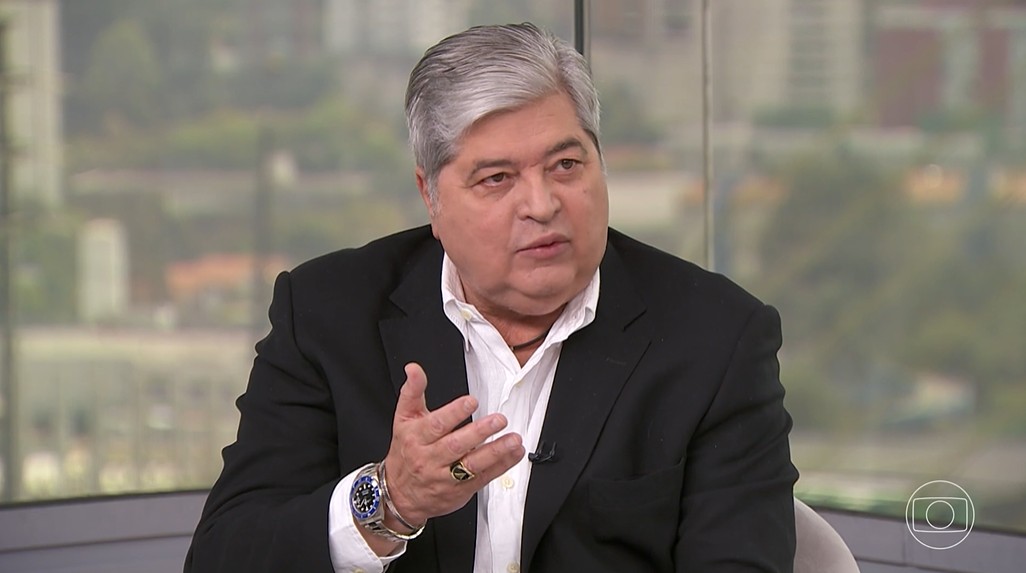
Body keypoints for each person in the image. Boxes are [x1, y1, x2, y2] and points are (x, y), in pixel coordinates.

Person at [185, 22, 798, 573]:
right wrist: (391, 500)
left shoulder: (717, 339)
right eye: (497, 178)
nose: (541, 204)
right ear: (430, 196)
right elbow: (223, 556)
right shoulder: (327, 313)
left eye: (565, 165)